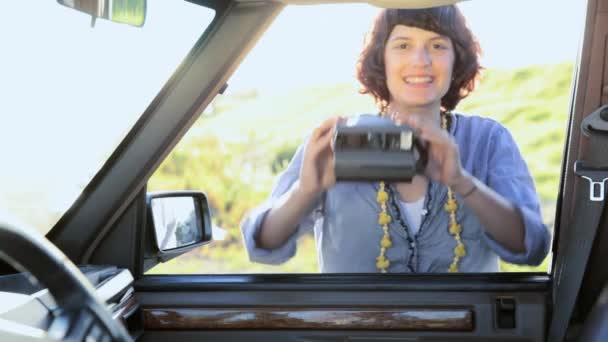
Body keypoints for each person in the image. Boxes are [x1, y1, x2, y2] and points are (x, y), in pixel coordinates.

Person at [240, 5, 551, 273]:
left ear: (457, 59)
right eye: (403, 45)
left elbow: (533, 246)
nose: (421, 60)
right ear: (382, 59)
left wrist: (462, 183)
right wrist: (305, 190)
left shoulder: (488, 140)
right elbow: (264, 245)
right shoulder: (335, 142)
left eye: (438, 45)